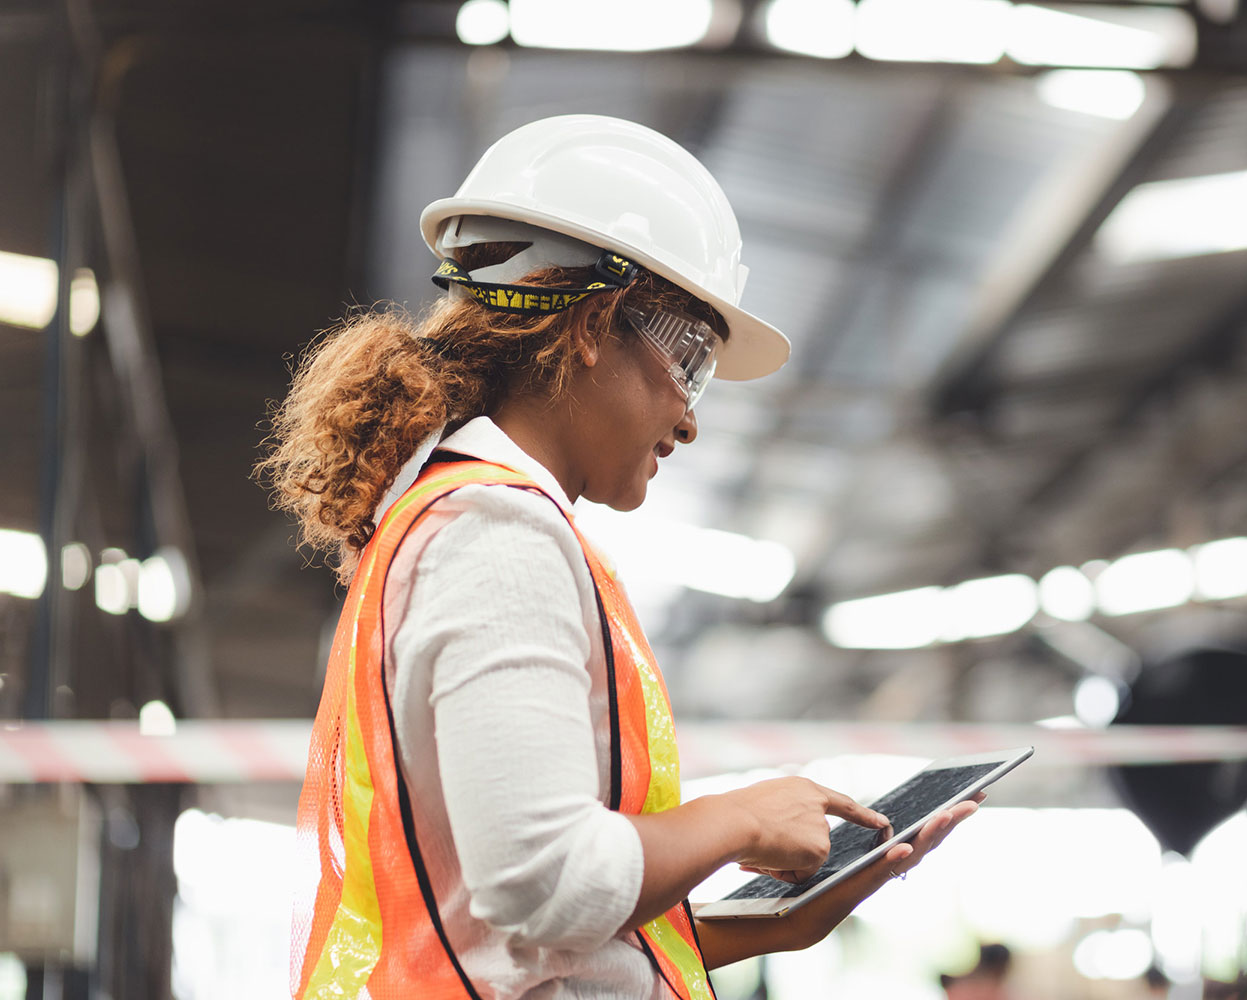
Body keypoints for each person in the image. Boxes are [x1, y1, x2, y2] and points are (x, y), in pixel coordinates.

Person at [260, 115, 979, 1000]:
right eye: (690, 360)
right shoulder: (497, 531)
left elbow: (495, 930)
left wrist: (770, 928)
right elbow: (545, 885)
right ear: (596, 322)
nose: (688, 419)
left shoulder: (454, 517)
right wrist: (740, 818)